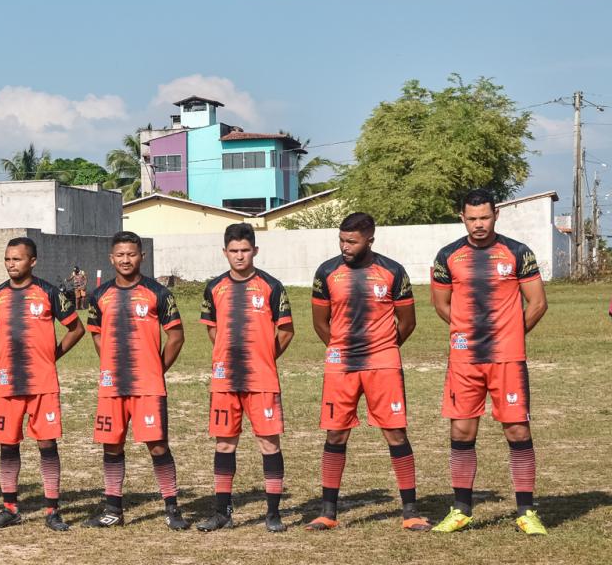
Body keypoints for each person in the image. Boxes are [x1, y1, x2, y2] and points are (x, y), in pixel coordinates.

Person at [429, 189, 549, 535]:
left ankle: (526, 512)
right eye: (472, 218)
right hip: (465, 359)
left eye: (485, 217)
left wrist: (509, 335)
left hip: (507, 359)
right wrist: (468, 334)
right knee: (462, 429)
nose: (479, 224)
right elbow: (441, 304)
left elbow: (537, 303)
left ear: (496, 215)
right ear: (462, 218)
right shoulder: (448, 255)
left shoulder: (517, 252)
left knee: (516, 429)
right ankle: (461, 509)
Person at [309, 213, 424, 530]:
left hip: (383, 363)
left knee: (395, 432)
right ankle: (327, 513)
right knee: (336, 432)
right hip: (341, 363)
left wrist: (384, 349)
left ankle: (410, 512)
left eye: (352, 241)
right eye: (341, 240)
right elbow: (320, 322)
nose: (345, 246)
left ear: (370, 240)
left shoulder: (392, 271)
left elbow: (408, 322)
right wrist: (338, 348)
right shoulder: (327, 272)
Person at [85, 231, 186, 529]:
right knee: (111, 445)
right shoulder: (100, 295)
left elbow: (176, 337)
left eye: (131, 254)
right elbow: (96, 334)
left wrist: (157, 368)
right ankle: (113, 509)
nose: (126, 259)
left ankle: (172, 508)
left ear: (142, 256)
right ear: (111, 258)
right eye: (120, 254)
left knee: (157, 446)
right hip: (112, 385)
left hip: (148, 386)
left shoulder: (158, 293)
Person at [0, 238, 84, 531]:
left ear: (33, 261)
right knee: (8, 443)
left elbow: (75, 329)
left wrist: (54, 354)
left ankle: (52, 510)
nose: (11, 264)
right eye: (7, 259)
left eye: (17, 259)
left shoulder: (49, 292)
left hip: (42, 383)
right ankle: (9, 507)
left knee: (46, 443)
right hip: (9, 385)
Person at [198, 224, 294, 532]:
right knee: (225, 444)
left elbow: (287, 330)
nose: (239, 256)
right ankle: (223, 513)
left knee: (269, 443)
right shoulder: (214, 287)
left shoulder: (271, 285)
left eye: (245, 250)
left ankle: (273, 514)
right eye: (234, 251)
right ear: (224, 252)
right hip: (225, 379)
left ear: (255, 250)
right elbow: (212, 329)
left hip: (261, 379)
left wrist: (264, 356)